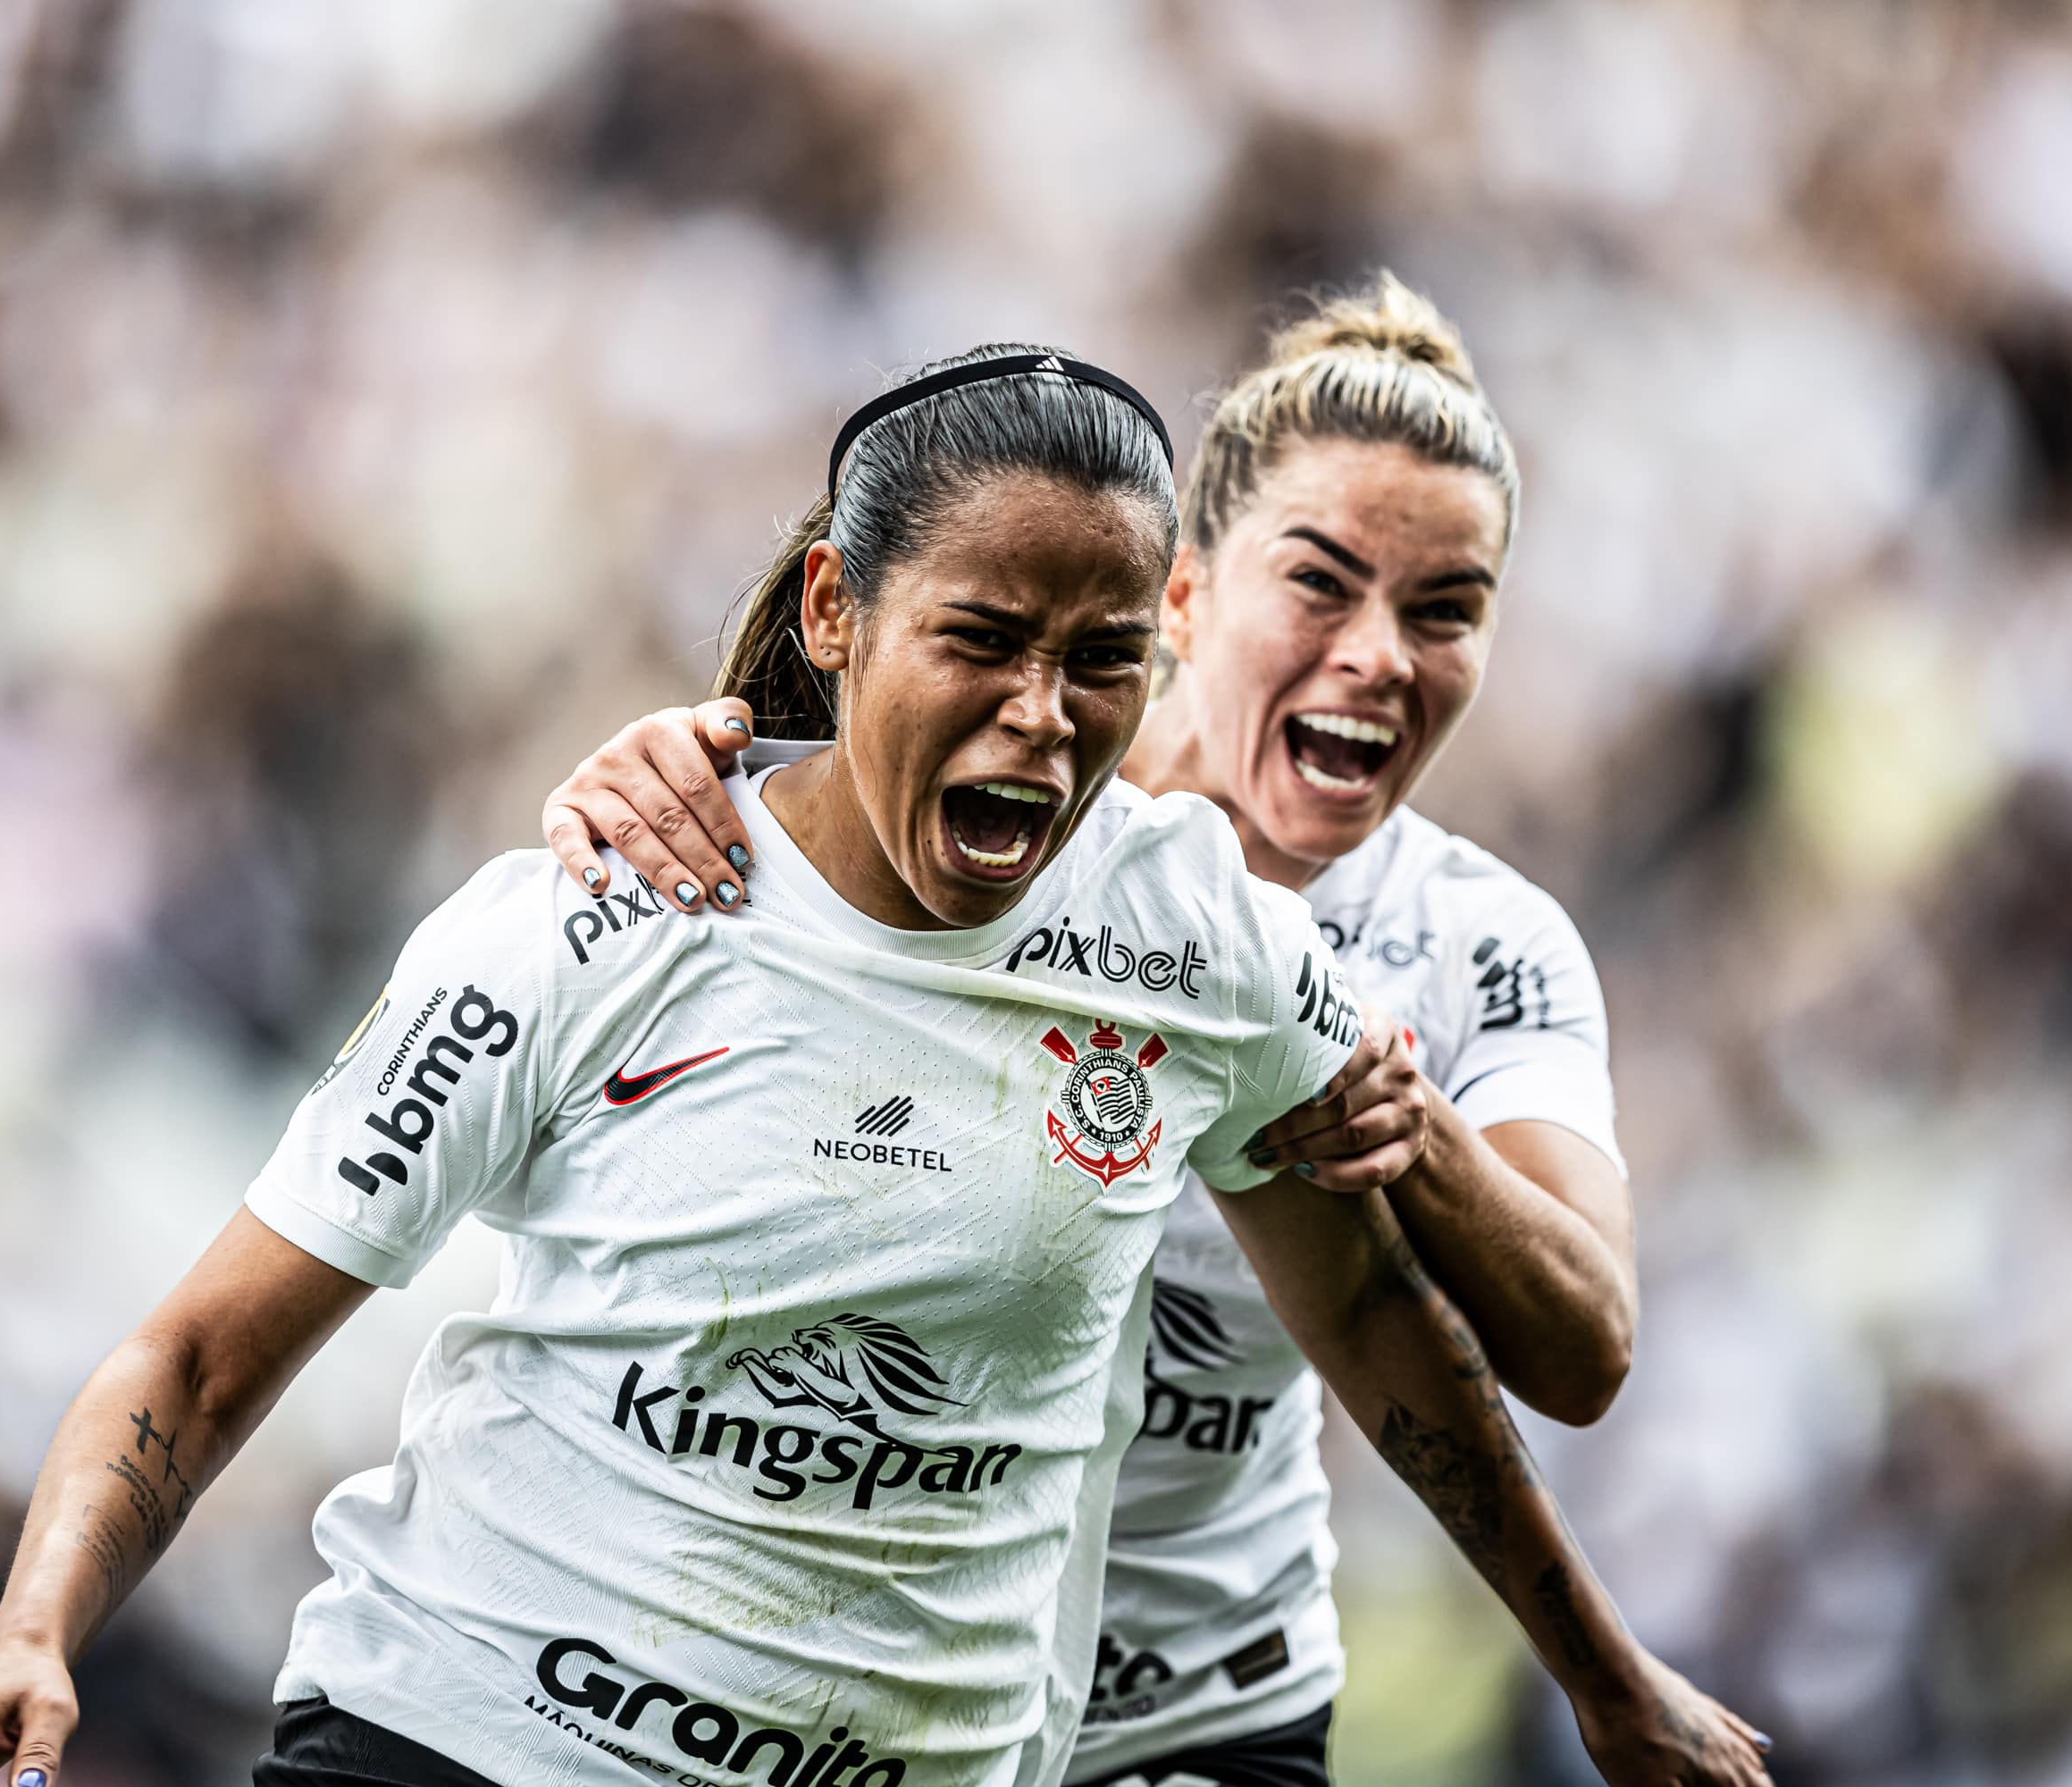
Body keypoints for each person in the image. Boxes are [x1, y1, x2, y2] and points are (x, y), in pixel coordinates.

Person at [0, 342, 1760, 1787]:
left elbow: (1393, 1324)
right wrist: (32, 1632)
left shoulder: (1219, 940)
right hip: (475, 1739)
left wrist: (1598, 1669)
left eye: (1098, 660)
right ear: (835, 615)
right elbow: (198, 1347)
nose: (1044, 713)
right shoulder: (596, 908)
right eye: (984, 641)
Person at [542, 277, 1753, 1786]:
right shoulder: (964, 827)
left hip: (1201, 1711)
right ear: (1180, 598)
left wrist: (1407, 1126)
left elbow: (1576, 1347)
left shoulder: (1478, 945)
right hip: (857, 1701)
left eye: (1446, 611)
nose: (1382, 654)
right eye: (1323, 584)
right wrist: (644, 785)